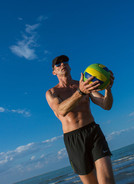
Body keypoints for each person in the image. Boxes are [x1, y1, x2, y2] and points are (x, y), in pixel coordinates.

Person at [45, 55, 115, 184]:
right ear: (54, 72)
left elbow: (106, 105)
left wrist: (108, 89)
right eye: (58, 64)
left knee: (108, 181)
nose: (62, 64)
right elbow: (61, 110)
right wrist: (80, 93)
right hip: (74, 139)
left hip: (93, 132)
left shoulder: (85, 84)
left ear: (69, 66)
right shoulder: (52, 92)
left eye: (65, 62)